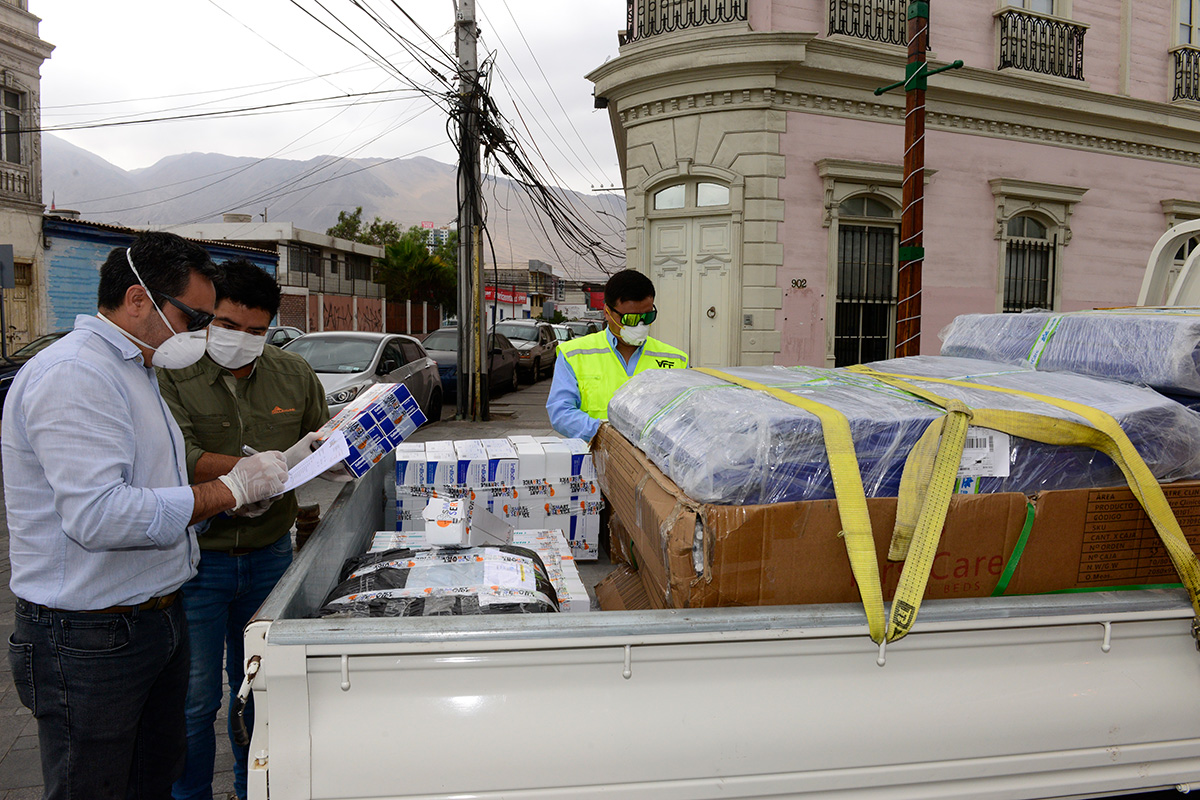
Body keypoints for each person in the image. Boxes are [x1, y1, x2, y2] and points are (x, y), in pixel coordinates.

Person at [2, 233, 289, 800]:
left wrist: (219, 505)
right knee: (96, 787)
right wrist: (228, 490)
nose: (202, 334)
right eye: (194, 317)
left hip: (152, 618)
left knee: (152, 779)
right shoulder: (77, 375)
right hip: (89, 637)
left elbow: (155, 493)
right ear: (138, 300)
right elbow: (101, 516)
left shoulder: (137, 369)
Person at [157, 259, 344, 800]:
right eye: (229, 326)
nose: (242, 341)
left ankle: (252, 791)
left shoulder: (293, 374)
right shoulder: (170, 374)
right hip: (196, 561)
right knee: (194, 702)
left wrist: (332, 451)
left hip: (269, 560)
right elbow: (178, 456)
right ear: (205, 318)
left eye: (256, 332)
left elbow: (316, 438)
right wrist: (245, 477)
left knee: (263, 690)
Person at [548, 269, 688, 441]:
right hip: (594, 458)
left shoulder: (676, 360)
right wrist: (609, 435)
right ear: (607, 312)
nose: (641, 325)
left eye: (648, 316)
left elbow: (686, 419)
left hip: (653, 463)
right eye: (631, 319)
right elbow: (561, 412)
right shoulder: (574, 354)